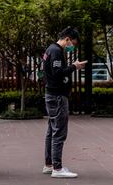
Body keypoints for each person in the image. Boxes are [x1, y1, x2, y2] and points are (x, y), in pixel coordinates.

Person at [42, 27, 87, 178]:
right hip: (57, 97)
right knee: (59, 132)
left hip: (52, 95)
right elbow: (57, 73)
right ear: (67, 39)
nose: (72, 46)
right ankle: (57, 168)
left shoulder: (50, 49)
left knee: (52, 131)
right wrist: (74, 67)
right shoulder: (55, 51)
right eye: (72, 43)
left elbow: (56, 71)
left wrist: (71, 66)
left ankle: (50, 165)